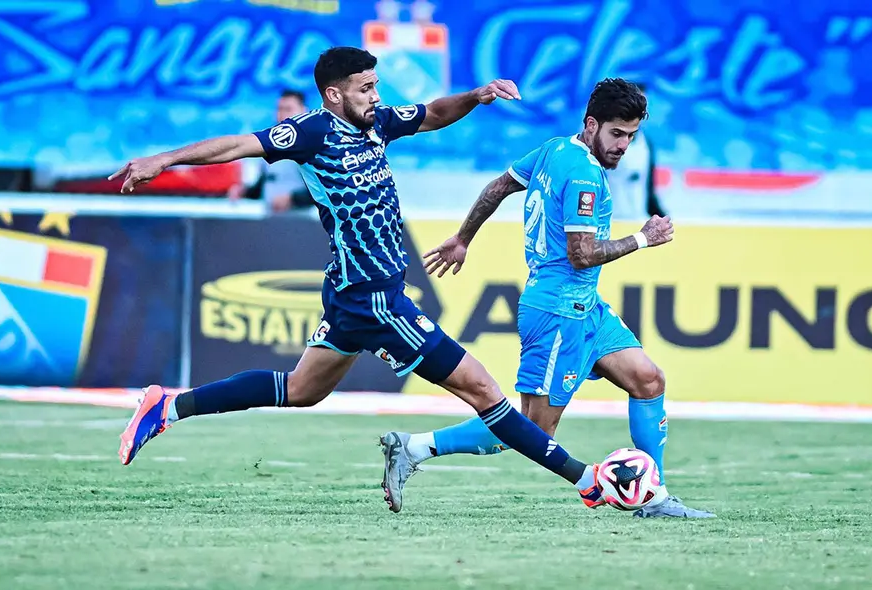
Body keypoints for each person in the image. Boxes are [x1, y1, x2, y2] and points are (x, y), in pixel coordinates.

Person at [109, 46, 608, 514]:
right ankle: (588, 481)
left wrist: (475, 96)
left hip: (357, 294)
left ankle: (168, 406)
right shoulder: (308, 132)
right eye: (366, 88)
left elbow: (433, 113)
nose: (377, 96)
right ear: (334, 94)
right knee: (484, 391)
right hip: (374, 301)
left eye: (376, 85)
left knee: (302, 389)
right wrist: (164, 159)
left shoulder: (377, 124)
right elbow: (241, 144)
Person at [382, 78, 714, 518]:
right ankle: (414, 448)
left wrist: (463, 238)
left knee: (648, 379)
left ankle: (655, 497)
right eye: (616, 134)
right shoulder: (583, 174)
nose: (623, 146)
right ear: (592, 124)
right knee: (532, 428)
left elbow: (498, 187)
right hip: (557, 310)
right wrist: (642, 239)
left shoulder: (554, 149)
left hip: (585, 306)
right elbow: (581, 255)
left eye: (631, 136)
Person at [227, 89, 315, 213]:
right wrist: (244, 192)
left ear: (303, 110)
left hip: (301, 219)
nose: (282, 114)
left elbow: (323, 189)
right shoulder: (270, 145)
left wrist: (293, 199)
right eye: (279, 109)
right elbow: (264, 183)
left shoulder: (312, 145)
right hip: (271, 219)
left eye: (288, 109)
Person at [604, 83, 667, 220]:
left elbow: (648, 189)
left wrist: (664, 219)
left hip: (637, 222)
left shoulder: (645, 143)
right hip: (611, 222)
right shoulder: (603, 141)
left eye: (644, 108)